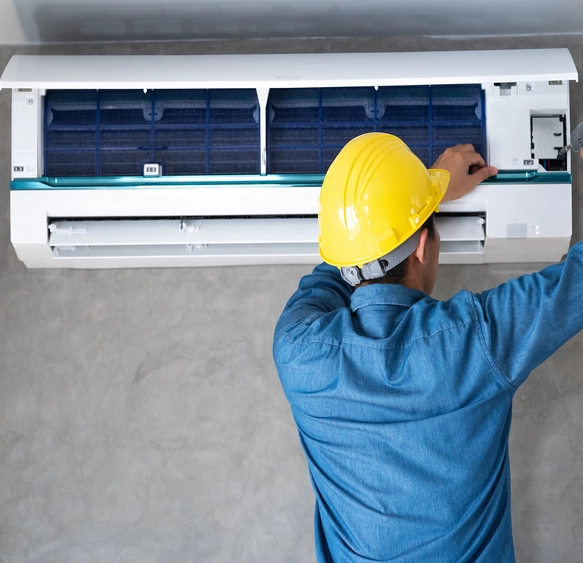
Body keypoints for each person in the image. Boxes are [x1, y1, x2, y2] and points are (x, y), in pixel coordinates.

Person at [272, 132, 583, 562]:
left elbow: (337, 270)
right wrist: (428, 189)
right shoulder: (479, 341)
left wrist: (418, 196)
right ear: (424, 246)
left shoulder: (297, 351)